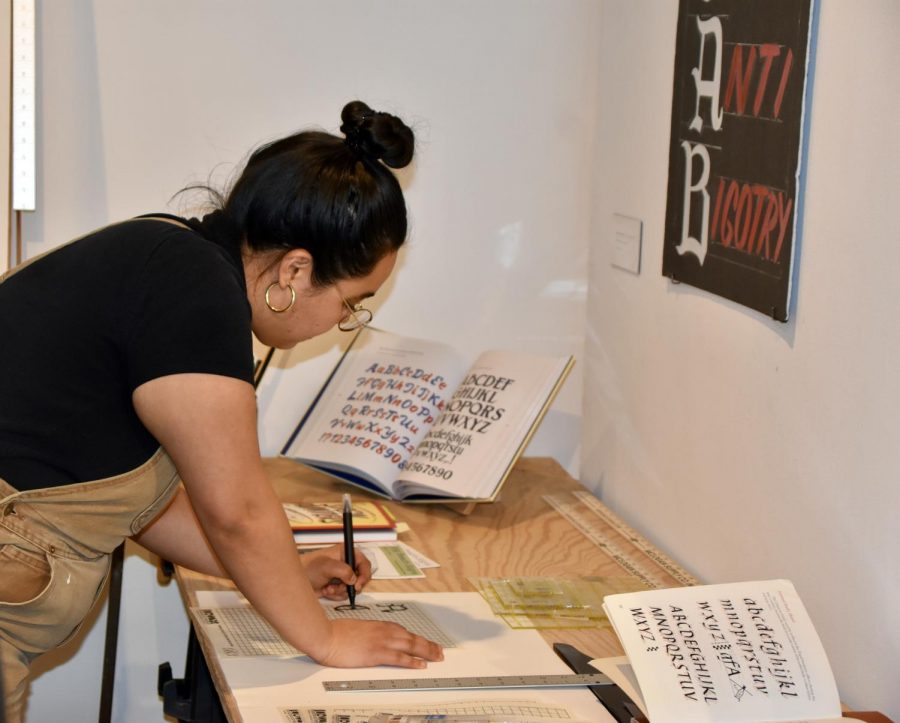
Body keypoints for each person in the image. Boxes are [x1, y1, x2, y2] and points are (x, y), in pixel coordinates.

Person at [0, 100, 443, 722]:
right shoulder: (198, 296)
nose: (345, 321)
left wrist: (287, 570)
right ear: (295, 269)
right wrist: (325, 637)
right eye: (352, 302)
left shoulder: (170, 254)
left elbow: (145, 509)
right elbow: (235, 511)